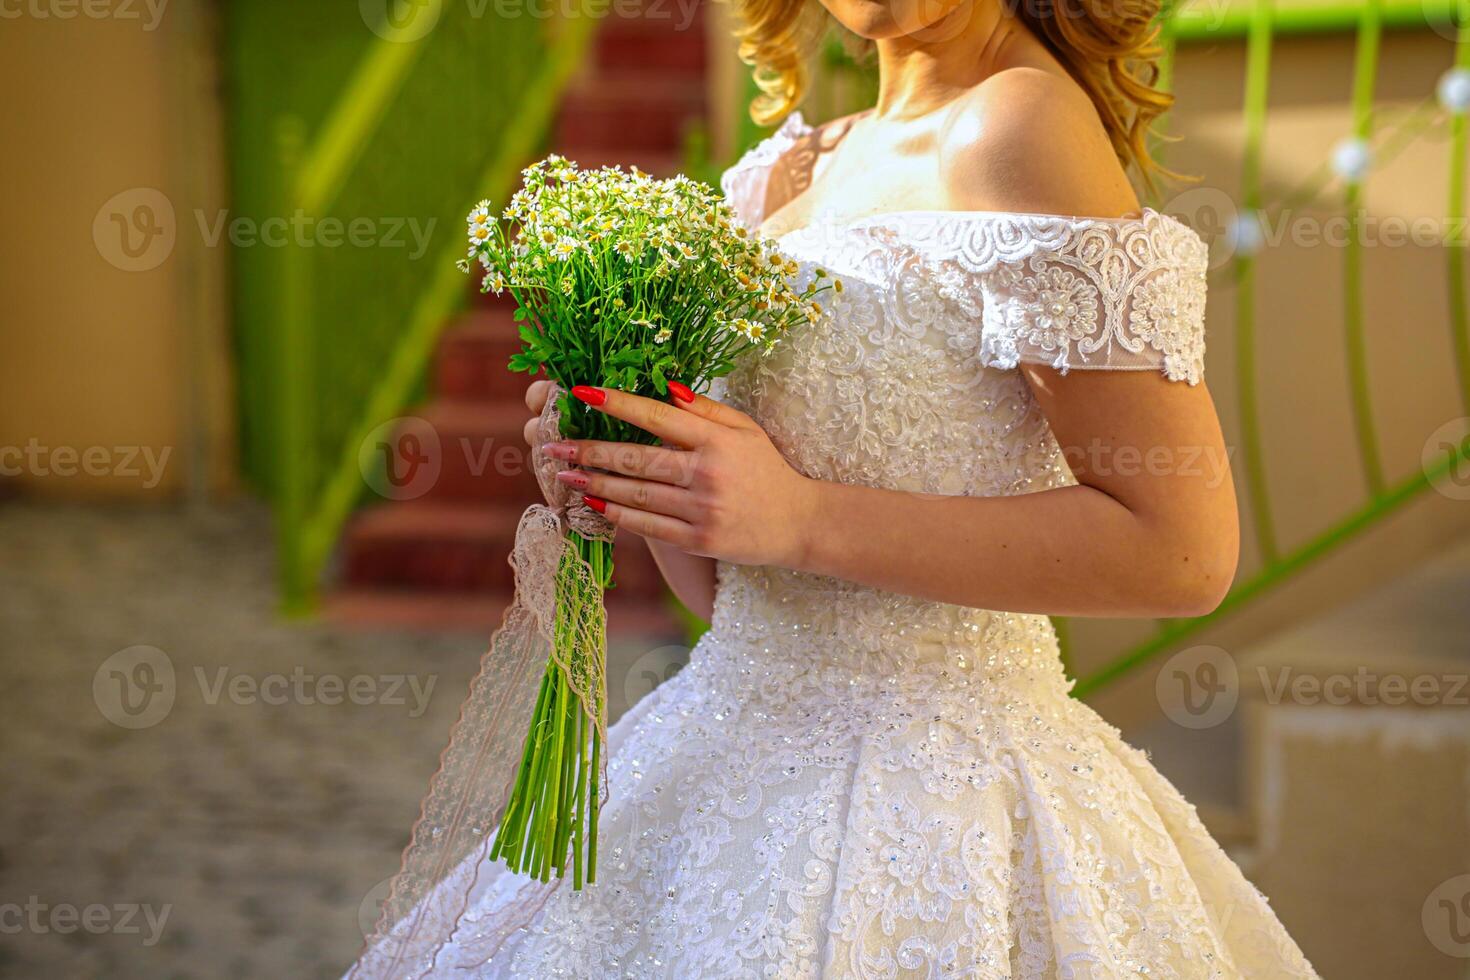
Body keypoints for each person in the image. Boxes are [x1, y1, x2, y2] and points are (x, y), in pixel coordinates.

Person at [349, 0, 1320, 973]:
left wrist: (802, 517)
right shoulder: (784, 171)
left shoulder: (1019, 124)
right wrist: (635, 470)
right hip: (716, 760)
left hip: (943, 801)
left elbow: (1181, 549)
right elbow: (733, 594)